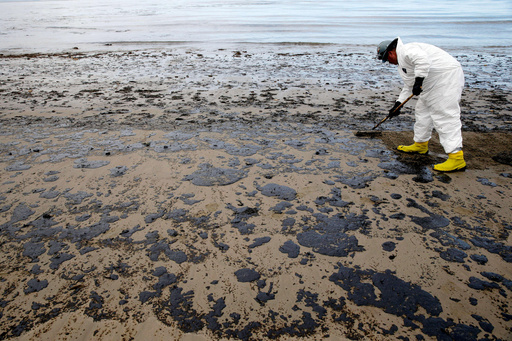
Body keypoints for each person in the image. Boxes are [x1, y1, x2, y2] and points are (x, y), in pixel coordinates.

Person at [377, 37, 466, 172]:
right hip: (430, 83)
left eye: (387, 59)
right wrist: (398, 104)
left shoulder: (408, 50)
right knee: (422, 111)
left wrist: (419, 81)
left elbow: (422, 61)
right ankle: (420, 144)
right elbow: (409, 86)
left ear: (390, 53)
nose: (389, 63)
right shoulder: (403, 65)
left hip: (445, 78)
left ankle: (456, 158)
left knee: (444, 115)